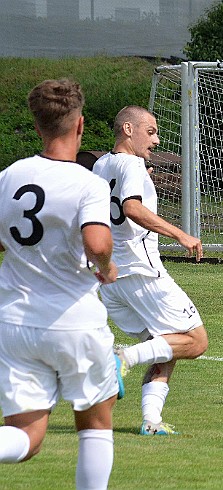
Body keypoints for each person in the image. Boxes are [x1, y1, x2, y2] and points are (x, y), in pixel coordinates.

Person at [0, 79, 120, 488]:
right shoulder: (88, 182)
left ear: (37, 126)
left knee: (27, 438)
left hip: (15, 323)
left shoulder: (10, 176)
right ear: (81, 124)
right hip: (74, 321)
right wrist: (106, 265)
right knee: (95, 424)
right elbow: (96, 241)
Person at [92, 105, 208, 436]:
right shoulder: (131, 164)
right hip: (142, 273)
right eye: (151, 131)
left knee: (166, 344)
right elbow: (130, 207)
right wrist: (179, 233)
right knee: (196, 341)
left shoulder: (102, 164)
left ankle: (150, 421)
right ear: (128, 129)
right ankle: (123, 358)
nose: (156, 140)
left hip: (111, 278)